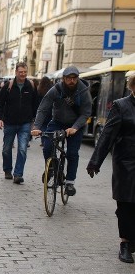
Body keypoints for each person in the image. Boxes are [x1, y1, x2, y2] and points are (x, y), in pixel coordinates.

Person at [85, 70, 135, 263]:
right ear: (132, 86)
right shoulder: (121, 106)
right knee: (125, 204)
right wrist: (95, 162)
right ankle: (125, 243)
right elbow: (107, 135)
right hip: (126, 162)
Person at [31, 66, 92, 196]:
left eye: (74, 78)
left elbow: (86, 113)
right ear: (63, 79)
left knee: (72, 153)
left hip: (76, 125)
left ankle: (70, 182)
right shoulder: (56, 89)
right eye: (68, 78)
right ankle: (52, 167)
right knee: (47, 146)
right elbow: (43, 108)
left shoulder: (83, 91)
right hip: (57, 122)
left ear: (77, 78)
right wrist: (36, 127)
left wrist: (75, 127)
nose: (71, 81)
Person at [0, 62, 39, 184]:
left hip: (25, 123)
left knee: (22, 149)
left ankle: (18, 174)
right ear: (16, 72)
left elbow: (36, 104)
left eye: (25, 72)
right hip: (9, 122)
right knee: (6, 149)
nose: (23, 74)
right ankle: (7, 169)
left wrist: (35, 121)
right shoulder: (8, 86)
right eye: (21, 72)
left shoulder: (31, 86)